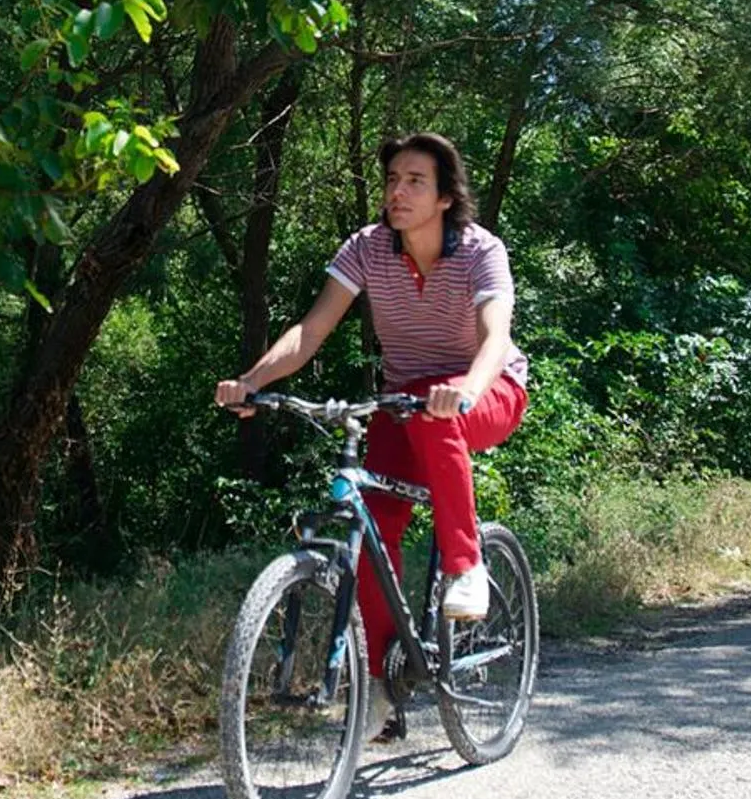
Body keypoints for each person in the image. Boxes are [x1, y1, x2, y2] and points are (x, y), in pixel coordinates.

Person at [213, 132, 528, 693]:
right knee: (372, 527)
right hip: (406, 401)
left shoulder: (482, 250)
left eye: (415, 182)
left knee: (438, 418)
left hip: (487, 391)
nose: (398, 193)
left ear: (445, 198)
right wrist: (251, 382)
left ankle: (466, 565)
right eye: (391, 181)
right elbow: (311, 330)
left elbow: (495, 337)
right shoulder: (366, 247)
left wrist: (467, 390)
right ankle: (385, 682)